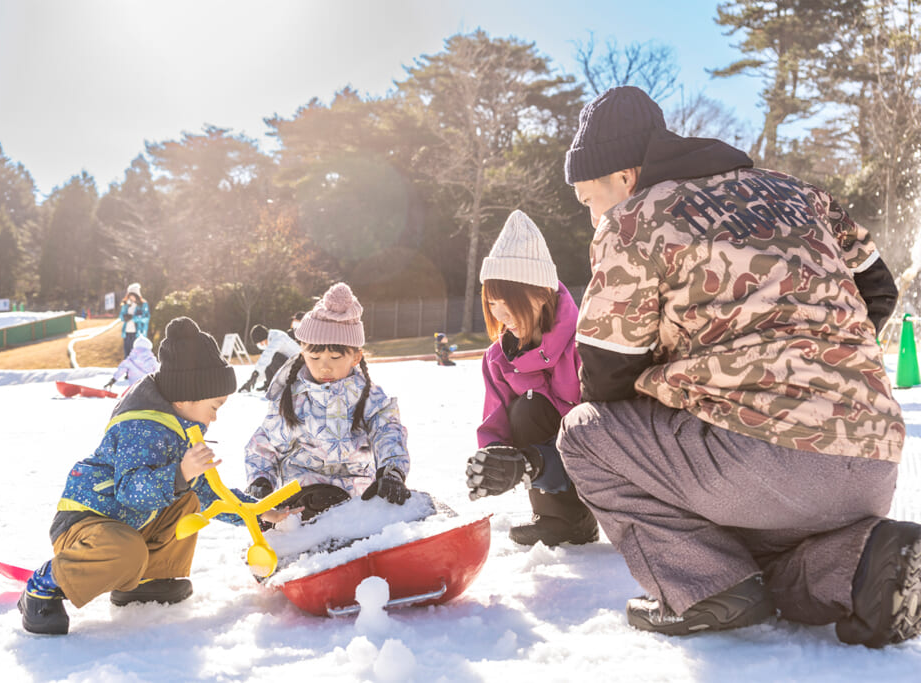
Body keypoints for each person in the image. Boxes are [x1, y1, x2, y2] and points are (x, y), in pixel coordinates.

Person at [470, 85, 921, 646]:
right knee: (753, 558)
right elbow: (877, 289)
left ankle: (702, 588)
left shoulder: (635, 220)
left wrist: (690, 380)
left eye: (588, 198)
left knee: (585, 434)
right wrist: (822, 360)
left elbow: (605, 377)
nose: (590, 216)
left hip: (765, 462)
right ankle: (863, 564)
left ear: (625, 177)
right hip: (873, 457)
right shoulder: (798, 193)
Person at [17, 317, 296, 635]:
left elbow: (207, 492)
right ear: (187, 398)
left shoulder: (180, 427)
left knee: (189, 497)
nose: (215, 417)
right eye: (215, 406)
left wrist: (259, 513)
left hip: (127, 524)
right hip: (86, 523)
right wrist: (181, 473)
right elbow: (129, 490)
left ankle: (150, 577)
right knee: (128, 549)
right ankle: (43, 586)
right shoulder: (143, 427)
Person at [465, 210, 599, 547]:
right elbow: (495, 423)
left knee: (537, 406)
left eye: (509, 301)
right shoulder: (498, 359)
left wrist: (539, 460)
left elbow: (608, 427)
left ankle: (595, 516)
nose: (500, 314)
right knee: (525, 408)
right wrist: (495, 460)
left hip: (601, 468)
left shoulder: (587, 342)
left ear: (541, 294)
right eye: (492, 302)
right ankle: (560, 519)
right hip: (549, 473)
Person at [245, 282, 411, 520]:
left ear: (356, 357)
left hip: (358, 499)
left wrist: (391, 471)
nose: (324, 365)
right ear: (302, 353)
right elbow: (264, 445)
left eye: (335, 356)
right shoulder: (292, 398)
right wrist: (260, 481)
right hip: (301, 499)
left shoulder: (370, 399)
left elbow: (389, 433)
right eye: (314, 356)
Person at [238, 324, 301, 392]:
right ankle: (269, 383)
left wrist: (255, 374)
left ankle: (282, 384)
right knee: (268, 359)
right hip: (291, 364)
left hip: (298, 367)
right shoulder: (271, 337)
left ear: (264, 337)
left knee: (272, 357)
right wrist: (251, 381)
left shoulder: (277, 338)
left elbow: (267, 356)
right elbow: (265, 365)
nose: (261, 345)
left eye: (261, 342)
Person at [118, 283, 150, 357]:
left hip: (137, 333)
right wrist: (124, 317)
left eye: (133, 295)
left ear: (137, 295)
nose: (131, 298)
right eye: (130, 296)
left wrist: (133, 318)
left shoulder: (143, 305)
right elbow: (121, 316)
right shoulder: (126, 305)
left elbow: (146, 318)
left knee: (136, 355)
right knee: (127, 354)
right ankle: (127, 368)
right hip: (127, 332)